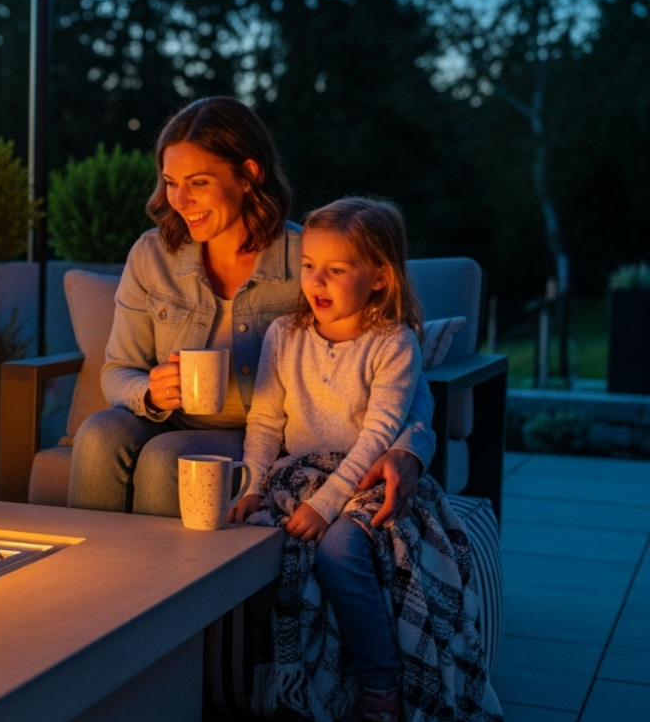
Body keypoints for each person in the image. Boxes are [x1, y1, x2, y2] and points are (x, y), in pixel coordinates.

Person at [229, 197, 509, 722]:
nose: (317, 281)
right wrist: (254, 484)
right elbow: (265, 422)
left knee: (338, 549)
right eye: (309, 266)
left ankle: (383, 702)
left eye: (336, 268)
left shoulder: (392, 344)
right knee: (263, 545)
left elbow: (381, 433)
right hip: (299, 474)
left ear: (378, 275)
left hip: (363, 476)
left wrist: (326, 506)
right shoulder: (285, 334)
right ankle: (296, 698)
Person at [67, 96, 435, 522]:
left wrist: (410, 448)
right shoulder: (152, 256)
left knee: (165, 461)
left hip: (259, 435)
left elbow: (403, 366)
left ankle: (175, 585)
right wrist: (148, 391)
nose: (179, 200)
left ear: (248, 175)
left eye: (198, 182)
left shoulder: (310, 258)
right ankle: (94, 577)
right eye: (171, 182)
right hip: (168, 419)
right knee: (97, 434)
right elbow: (117, 372)